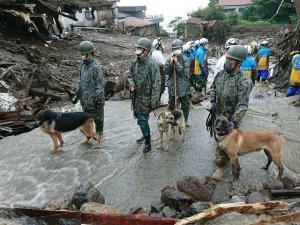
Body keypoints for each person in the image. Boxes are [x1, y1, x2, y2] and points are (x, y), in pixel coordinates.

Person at [210, 45, 253, 180]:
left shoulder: (244, 81)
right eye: (227, 58)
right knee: (219, 142)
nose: (227, 62)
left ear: (239, 63)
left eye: (231, 60)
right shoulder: (220, 74)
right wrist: (213, 101)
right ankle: (230, 161)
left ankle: (222, 168)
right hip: (218, 116)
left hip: (230, 120)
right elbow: (213, 88)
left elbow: (243, 104)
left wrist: (234, 121)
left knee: (226, 146)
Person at [128, 37, 161, 154]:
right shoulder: (134, 62)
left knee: (142, 120)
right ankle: (145, 133)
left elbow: (157, 84)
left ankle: (148, 141)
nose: (137, 50)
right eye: (137, 47)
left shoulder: (152, 64)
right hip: (136, 98)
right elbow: (130, 76)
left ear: (146, 51)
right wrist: (131, 85)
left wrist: (154, 101)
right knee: (139, 119)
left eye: (140, 48)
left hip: (146, 98)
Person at [73, 40, 105, 137]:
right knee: (86, 119)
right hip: (85, 100)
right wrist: (76, 95)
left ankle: (99, 136)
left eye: (84, 54)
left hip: (95, 100)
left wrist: (98, 100)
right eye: (81, 54)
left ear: (90, 53)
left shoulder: (97, 67)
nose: (82, 56)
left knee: (98, 119)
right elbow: (80, 81)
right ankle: (88, 136)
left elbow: (99, 85)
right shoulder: (83, 65)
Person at [164, 39, 191, 126]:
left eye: (178, 48)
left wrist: (177, 64)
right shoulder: (169, 59)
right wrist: (171, 64)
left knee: (185, 105)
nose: (176, 50)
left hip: (183, 86)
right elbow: (166, 72)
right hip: (173, 85)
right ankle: (171, 120)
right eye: (175, 49)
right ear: (172, 50)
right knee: (171, 105)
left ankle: (185, 120)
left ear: (181, 48)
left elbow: (185, 73)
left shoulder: (185, 59)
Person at [152, 38, 166, 102]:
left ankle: (157, 100)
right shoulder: (158, 54)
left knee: (158, 87)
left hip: (157, 72)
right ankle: (157, 101)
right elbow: (163, 64)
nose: (163, 44)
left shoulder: (155, 52)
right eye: (161, 43)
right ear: (158, 45)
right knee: (161, 88)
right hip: (160, 72)